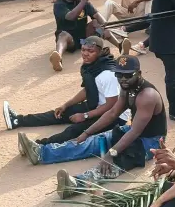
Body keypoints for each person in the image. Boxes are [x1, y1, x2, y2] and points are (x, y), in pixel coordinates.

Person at [57, 95, 175, 200]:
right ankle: (78, 183)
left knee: (146, 200)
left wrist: (163, 195)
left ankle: (91, 190)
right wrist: (171, 165)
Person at [18, 55, 166, 170]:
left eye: (128, 75)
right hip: (131, 131)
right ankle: (42, 153)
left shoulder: (147, 96)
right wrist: (87, 133)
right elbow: (113, 112)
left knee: (112, 164)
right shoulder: (127, 87)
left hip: (150, 142)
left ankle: (77, 184)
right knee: (91, 142)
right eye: (119, 75)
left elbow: (134, 132)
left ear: (139, 73)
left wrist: (110, 153)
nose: (123, 79)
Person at [3, 36, 119, 143]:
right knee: (58, 114)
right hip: (95, 104)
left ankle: (39, 145)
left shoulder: (108, 74)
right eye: (83, 50)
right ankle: (17, 120)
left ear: (100, 52)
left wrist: (85, 116)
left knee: (73, 130)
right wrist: (66, 105)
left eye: (90, 51)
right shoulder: (91, 66)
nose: (85, 54)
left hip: (112, 116)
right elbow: (87, 90)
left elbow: (111, 105)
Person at [50, 0, 120, 71]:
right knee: (63, 34)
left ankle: (120, 46)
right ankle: (58, 58)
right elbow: (71, 17)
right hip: (70, 41)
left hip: (84, 40)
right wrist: (84, 0)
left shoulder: (83, 2)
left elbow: (99, 17)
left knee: (96, 23)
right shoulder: (59, 5)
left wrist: (105, 28)